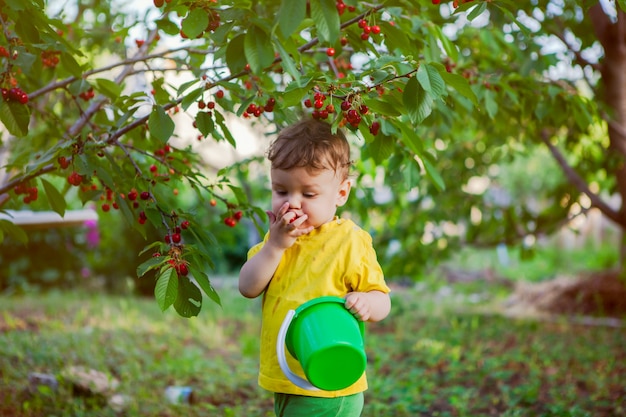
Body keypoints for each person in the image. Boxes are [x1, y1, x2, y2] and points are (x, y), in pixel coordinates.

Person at [239, 118, 391, 417]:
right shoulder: (276, 241)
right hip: (288, 378)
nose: (293, 203)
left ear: (341, 193)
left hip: (330, 382)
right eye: (281, 191)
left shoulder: (349, 241)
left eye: (308, 194)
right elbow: (247, 287)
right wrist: (275, 246)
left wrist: (366, 302)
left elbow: (383, 301)